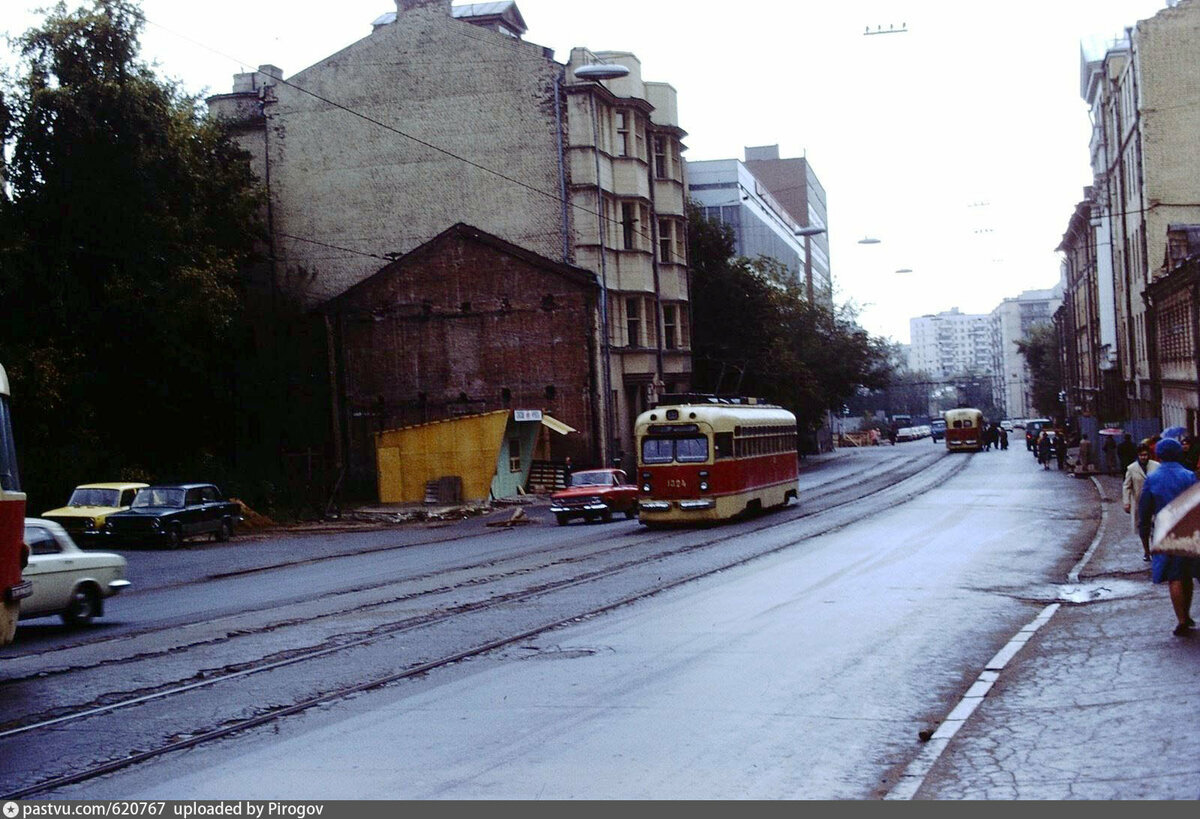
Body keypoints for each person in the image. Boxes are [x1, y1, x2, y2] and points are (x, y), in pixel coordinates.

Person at [1137, 437, 1198, 636]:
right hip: (1188, 528)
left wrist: (1144, 533)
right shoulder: (1188, 475)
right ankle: (1187, 616)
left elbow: (1144, 509)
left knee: (1175, 576)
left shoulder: (1152, 479)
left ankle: (1181, 619)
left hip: (1164, 528)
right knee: (1188, 573)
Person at [1123, 441, 1160, 560]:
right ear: (1138, 456)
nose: (1143, 457)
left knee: (1156, 527)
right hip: (1140, 503)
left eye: (1145, 454)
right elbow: (1126, 486)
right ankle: (1146, 551)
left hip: (1155, 501)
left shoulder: (1156, 466)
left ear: (1148, 454)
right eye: (1141, 455)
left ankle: (1155, 550)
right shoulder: (1132, 468)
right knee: (1144, 529)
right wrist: (1126, 502)